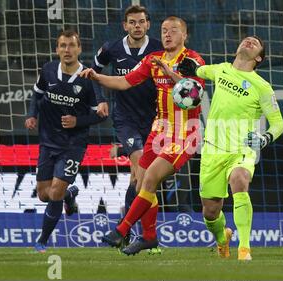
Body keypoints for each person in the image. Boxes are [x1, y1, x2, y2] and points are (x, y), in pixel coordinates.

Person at [80, 16, 205, 255]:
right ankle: (149, 236)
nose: (168, 34)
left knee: (149, 179)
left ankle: (121, 230)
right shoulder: (152, 60)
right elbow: (125, 82)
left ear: (185, 36)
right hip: (159, 130)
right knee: (141, 184)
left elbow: (195, 95)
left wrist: (173, 75)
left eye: (174, 31)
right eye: (164, 30)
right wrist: (98, 77)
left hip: (184, 133)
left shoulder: (193, 60)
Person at [177, 36, 283, 260]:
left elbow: (279, 123)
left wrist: (264, 139)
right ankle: (222, 238)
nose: (249, 41)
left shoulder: (262, 87)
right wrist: (190, 68)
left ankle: (244, 248)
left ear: (258, 58)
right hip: (212, 150)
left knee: (240, 180)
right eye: (246, 39)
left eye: (254, 43)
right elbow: (197, 69)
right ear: (237, 49)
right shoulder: (221, 70)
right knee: (210, 212)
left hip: (241, 149)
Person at [25, 30, 106, 253]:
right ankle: (70, 196)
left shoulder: (88, 78)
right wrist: (32, 115)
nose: (67, 50)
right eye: (63, 45)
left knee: (55, 193)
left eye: (71, 45)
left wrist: (77, 120)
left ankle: (42, 240)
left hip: (73, 145)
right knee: (44, 194)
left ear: (79, 49)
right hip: (47, 141)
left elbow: (102, 114)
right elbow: (37, 94)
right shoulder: (48, 70)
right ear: (57, 49)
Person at [91, 5, 163, 242]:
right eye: (132, 22)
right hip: (125, 119)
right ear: (125, 25)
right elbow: (93, 73)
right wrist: (100, 100)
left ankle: (127, 230)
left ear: (148, 24)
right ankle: (128, 230)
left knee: (139, 179)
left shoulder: (157, 49)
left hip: (154, 119)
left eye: (141, 22)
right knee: (141, 170)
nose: (137, 26)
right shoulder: (111, 48)